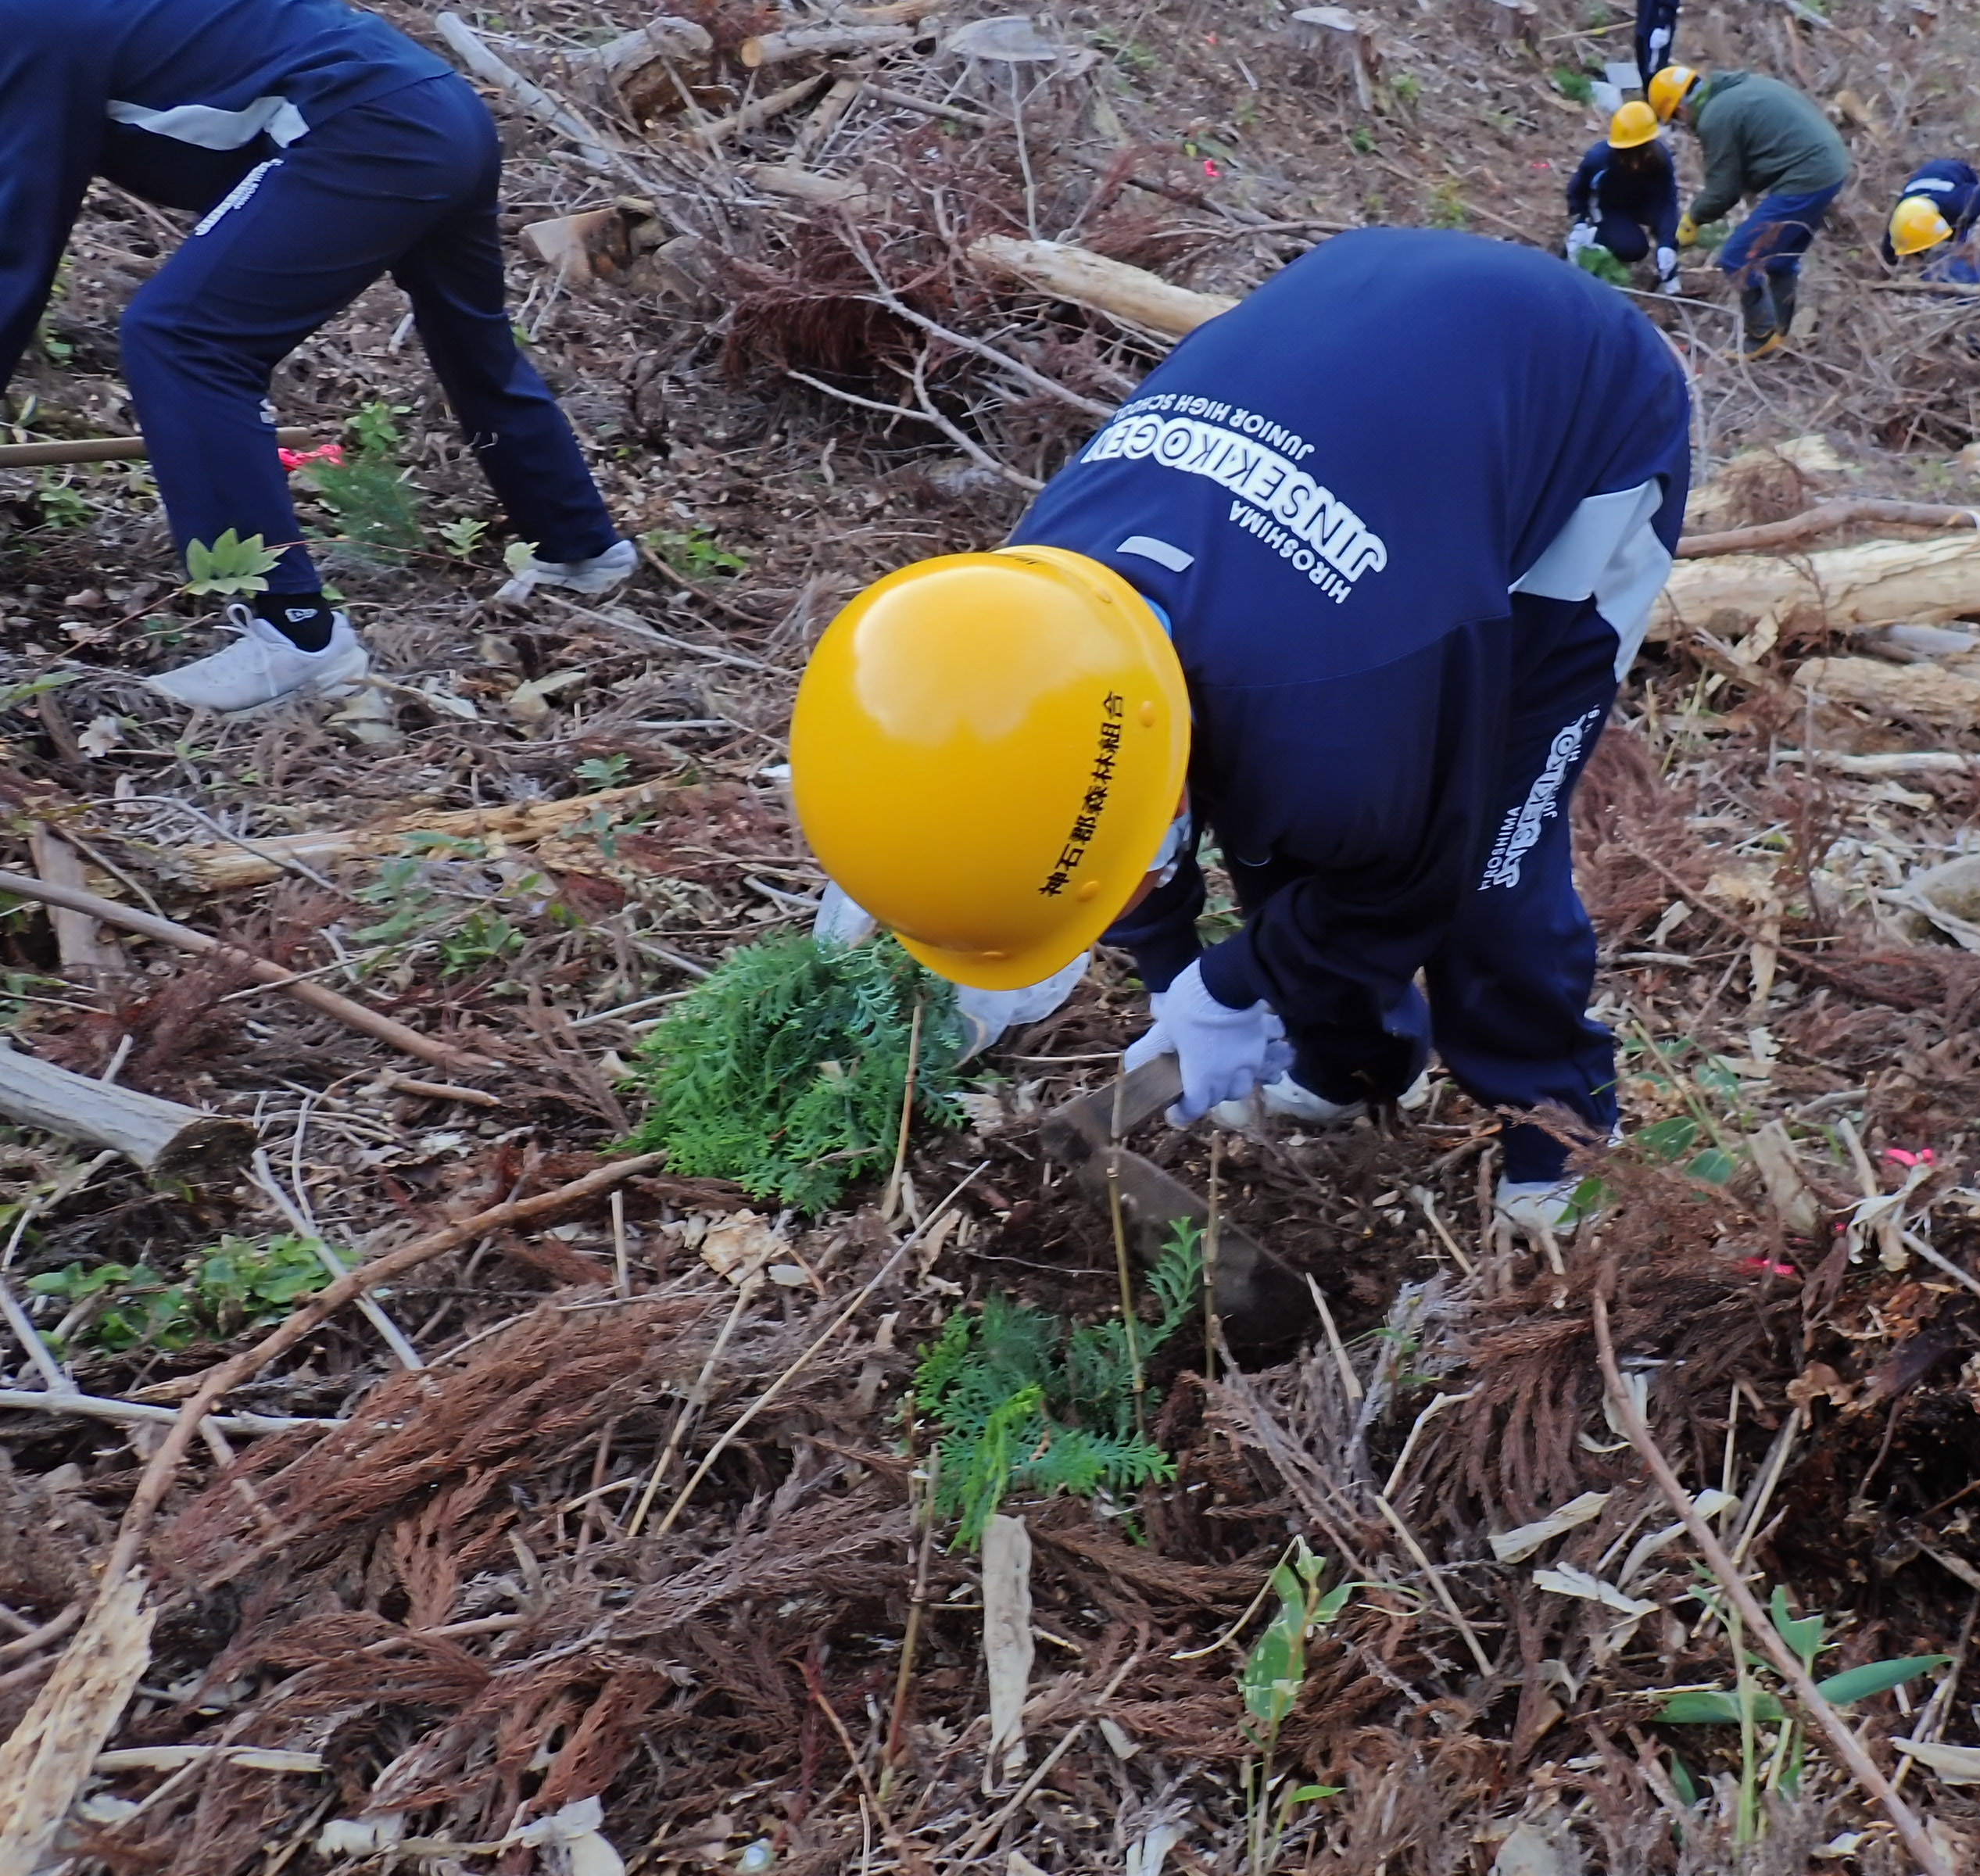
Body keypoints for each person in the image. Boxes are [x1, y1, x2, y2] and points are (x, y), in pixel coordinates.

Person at [789, 230, 1693, 1233]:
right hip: (1370, 354)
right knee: (1285, 822)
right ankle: (1353, 1063)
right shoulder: (1016, 610)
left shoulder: (1340, 710)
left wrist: (1226, 982)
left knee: (1488, 863)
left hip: (1576, 403)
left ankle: (1557, 1133)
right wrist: (1179, 973)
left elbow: (1410, 877)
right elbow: (1113, 821)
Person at [0, 0, 636, 713]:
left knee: (183, 337)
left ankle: (293, 634)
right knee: (472, 342)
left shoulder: (25, 28)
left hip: (364, 123)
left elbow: (16, 244)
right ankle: (584, 549)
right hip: (435, 105)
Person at [1652, 64, 1851, 360]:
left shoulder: (1715, 116)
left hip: (1806, 175)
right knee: (1781, 258)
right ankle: (1782, 332)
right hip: (1830, 165)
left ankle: (1760, 335)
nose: (1684, 125)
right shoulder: (1740, 88)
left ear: (1680, 108)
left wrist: (1694, 218)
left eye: (1677, 120)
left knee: (1736, 257)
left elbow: (1724, 190)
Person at [1882, 159, 1980, 347]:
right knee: (1938, 271)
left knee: (1959, 267)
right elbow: (1890, 253)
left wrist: (1967, 243)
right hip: (1930, 203)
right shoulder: (1901, 220)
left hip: (1964, 184)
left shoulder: (1959, 203)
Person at [1566, 104, 1681, 283]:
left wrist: (1667, 243)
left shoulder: (1661, 159)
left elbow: (1667, 200)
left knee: (1671, 228)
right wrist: (1579, 222)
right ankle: (1595, 237)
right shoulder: (1598, 160)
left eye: (1641, 152)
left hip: (1643, 202)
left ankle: (1666, 266)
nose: (1635, 164)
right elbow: (1578, 191)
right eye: (1629, 154)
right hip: (1611, 207)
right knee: (1634, 249)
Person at [1633, 0, 1679, 86]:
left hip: (1658, 23)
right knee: (1642, 61)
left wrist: (1664, 22)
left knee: (1653, 68)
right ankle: (1646, 91)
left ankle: (1655, 93)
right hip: (1644, 22)